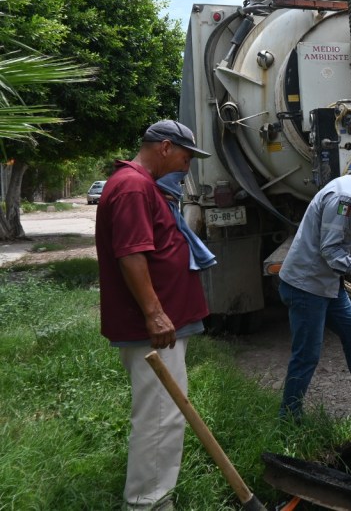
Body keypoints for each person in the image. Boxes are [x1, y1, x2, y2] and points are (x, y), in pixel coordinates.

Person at [95, 120, 214, 511]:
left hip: (158, 327)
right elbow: (131, 253)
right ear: (165, 147)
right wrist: (154, 313)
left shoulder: (140, 184)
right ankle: (148, 503)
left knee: (163, 414)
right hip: (152, 330)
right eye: (185, 156)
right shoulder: (133, 186)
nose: (187, 166)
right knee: (160, 418)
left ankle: (151, 497)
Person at [277, 172, 351, 420]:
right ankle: (289, 417)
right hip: (306, 285)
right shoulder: (343, 197)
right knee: (306, 355)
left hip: (326, 281)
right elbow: (330, 248)